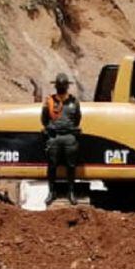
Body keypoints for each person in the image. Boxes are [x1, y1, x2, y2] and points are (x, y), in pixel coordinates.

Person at [41, 73, 82, 205]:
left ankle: (71, 191)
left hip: (69, 136)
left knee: (71, 165)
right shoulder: (50, 101)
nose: (61, 87)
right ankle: (51, 192)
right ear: (56, 86)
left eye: (63, 85)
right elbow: (44, 119)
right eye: (59, 85)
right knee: (52, 165)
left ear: (67, 86)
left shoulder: (74, 101)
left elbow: (77, 119)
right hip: (54, 136)